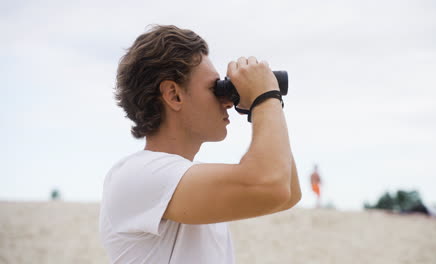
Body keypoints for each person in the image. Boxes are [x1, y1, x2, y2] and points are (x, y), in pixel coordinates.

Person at [99, 25, 301, 264]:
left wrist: (264, 102)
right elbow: (271, 185)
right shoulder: (138, 175)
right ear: (174, 95)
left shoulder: (177, 179)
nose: (226, 102)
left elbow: (287, 192)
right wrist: (264, 97)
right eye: (214, 88)